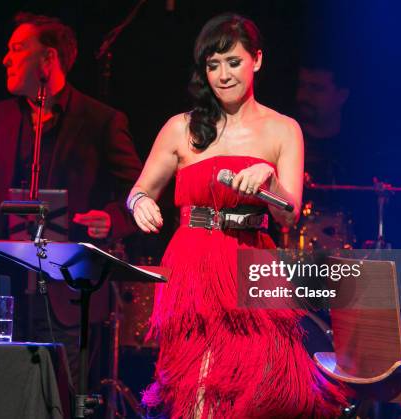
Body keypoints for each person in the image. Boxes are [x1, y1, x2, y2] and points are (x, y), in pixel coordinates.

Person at [127, 13, 347, 418]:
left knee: (260, 386)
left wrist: (270, 182)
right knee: (198, 382)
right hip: (194, 264)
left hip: (251, 263)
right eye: (213, 65)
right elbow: (140, 189)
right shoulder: (182, 127)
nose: (223, 75)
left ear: (257, 60)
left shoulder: (284, 130)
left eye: (233, 62)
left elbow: (288, 215)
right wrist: (139, 202)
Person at [0, 12, 142, 383]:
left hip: (70, 293)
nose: (5, 59)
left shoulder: (101, 120)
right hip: (5, 289)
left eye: (17, 49)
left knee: (58, 395)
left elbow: (138, 194)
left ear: (48, 59)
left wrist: (112, 218)